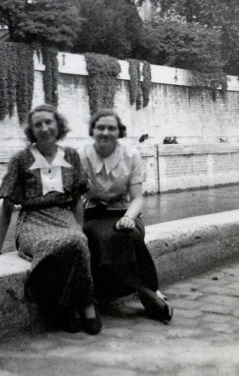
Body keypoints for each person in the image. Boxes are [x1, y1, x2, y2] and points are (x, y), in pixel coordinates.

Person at [0, 104, 101, 334]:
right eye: (38, 124)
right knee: (54, 245)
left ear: (58, 125)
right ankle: (76, 305)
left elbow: (76, 200)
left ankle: (81, 304)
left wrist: (79, 228)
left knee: (77, 241)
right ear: (32, 131)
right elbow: (7, 205)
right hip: (33, 221)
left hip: (63, 217)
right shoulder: (20, 159)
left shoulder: (71, 155)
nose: (44, 128)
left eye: (49, 122)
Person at [79, 109, 173, 323]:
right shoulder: (81, 156)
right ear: (92, 131)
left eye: (111, 128)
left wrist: (130, 217)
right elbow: (75, 196)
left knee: (131, 234)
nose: (105, 132)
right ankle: (144, 290)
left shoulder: (131, 156)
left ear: (118, 131)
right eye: (100, 127)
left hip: (124, 210)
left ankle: (146, 289)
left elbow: (137, 199)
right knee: (104, 237)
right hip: (93, 213)